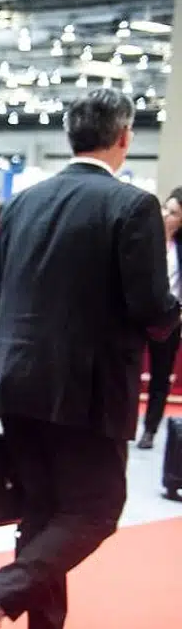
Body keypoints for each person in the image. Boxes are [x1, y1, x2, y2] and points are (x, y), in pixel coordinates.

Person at [0, 89, 179, 629]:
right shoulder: (133, 207)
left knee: (44, 509)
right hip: (88, 386)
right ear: (123, 138)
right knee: (96, 509)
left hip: (14, 378)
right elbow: (151, 305)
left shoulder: (22, 204)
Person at [137, 186, 182, 449]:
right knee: (128, 370)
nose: (166, 215)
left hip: (169, 318)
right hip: (139, 315)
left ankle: (150, 429)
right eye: (165, 208)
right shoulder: (145, 240)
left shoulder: (178, 248)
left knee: (160, 376)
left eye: (173, 212)